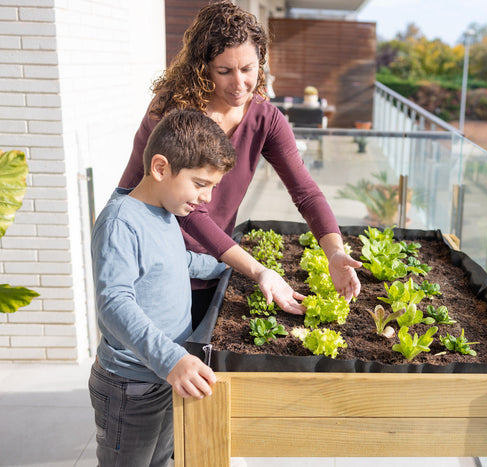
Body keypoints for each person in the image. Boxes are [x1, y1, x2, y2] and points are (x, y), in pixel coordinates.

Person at [119, 0, 361, 330]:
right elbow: (187, 211)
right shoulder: (175, 112)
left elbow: (305, 192)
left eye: (248, 69)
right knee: (158, 367)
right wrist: (258, 269)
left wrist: (334, 252)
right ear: (202, 67)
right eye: (224, 71)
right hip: (152, 253)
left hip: (208, 258)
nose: (239, 84)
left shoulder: (265, 117)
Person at [89, 109, 236, 466]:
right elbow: (114, 305)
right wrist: (172, 360)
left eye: (212, 187)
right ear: (160, 168)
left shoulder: (165, 212)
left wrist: (230, 267)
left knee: (162, 460)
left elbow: (179, 262)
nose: (207, 198)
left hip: (165, 375)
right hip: (130, 387)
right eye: (201, 184)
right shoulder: (121, 221)